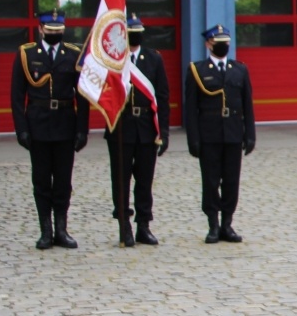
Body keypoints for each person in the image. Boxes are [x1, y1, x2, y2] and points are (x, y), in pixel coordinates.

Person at [11, 10, 88, 250]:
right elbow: (17, 95)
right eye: (50, 30)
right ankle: (45, 230)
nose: (55, 33)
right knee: (42, 180)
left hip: (65, 123)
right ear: (41, 29)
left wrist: (82, 129)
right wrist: (21, 129)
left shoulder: (73, 54)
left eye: (59, 30)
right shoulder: (27, 54)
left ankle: (62, 230)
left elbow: (83, 95)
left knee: (63, 181)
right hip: (39, 124)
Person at [183, 24, 256, 244]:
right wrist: (193, 139)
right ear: (208, 44)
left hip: (233, 133)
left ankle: (227, 223)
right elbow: (191, 109)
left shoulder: (239, 70)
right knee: (211, 180)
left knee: (232, 180)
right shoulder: (198, 70)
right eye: (218, 43)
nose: (223, 46)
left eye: (225, 43)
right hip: (209, 134)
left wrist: (250, 134)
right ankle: (213, 224)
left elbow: (247, 105)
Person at [106, 16, 170, 247]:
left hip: (146, 127)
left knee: (144, 181)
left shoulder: (153, 59)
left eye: (139, 31)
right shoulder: (114, 60)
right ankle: (124, 224)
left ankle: (144, 225)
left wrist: (163, 130)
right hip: (121, 128)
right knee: (121, 180)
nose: (136, 35)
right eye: (131, 31)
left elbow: (162, 96)